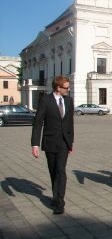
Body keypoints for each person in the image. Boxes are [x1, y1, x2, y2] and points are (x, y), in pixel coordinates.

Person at [31, 76, 74, 214]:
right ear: (58, 87)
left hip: (63, 143)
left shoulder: (69, 100)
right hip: (50, 142)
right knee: (53, 171)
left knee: (61, 171)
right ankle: (55, 197)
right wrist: (35, 144)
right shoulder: (46, 101)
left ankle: (60, 202)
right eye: (66, 87)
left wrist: (70, 142)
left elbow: (69, 122)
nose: (68, 89)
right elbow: (37, 123)